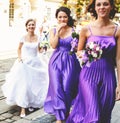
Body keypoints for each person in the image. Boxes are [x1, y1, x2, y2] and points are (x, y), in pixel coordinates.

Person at [66, 0, 120, 123]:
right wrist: (88, 53)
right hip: (88, 75)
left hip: (108, 75)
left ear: (111, 6)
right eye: (99, 4)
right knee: (93, 115)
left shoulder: (117, 30)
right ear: (94, 8)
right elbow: (79, 51)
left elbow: (118, 58)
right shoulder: (86, 29)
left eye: (105, 4)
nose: (102, 7)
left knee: (104, 113)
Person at [1, 19, 49, 117]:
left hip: (36, 63)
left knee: (35, 84)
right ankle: (23, 108)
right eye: (29, 25)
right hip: (25, 62)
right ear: (26, 26)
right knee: (24, 84)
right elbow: (19, 49)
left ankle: (32, 103)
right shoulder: (23, 37)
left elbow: (39, 50)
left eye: (33, 25)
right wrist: (19, 58)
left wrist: (43, 48)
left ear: (35, 26)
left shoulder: (39, 37)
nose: (31, 26)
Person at [44, 6, 81, 123]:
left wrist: (76, 47)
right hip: (55, 61)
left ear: (68, 17)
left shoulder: (74, 30)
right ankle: (59, 118)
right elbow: (54, 45)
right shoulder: (53, 30)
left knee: (67, 87)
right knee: (57, 88)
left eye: (64, 17)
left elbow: (76, 49)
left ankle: (66, 110)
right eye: (60, 17)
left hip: (70, 61)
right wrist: (58, 31)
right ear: (57, 18)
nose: (62, 19)